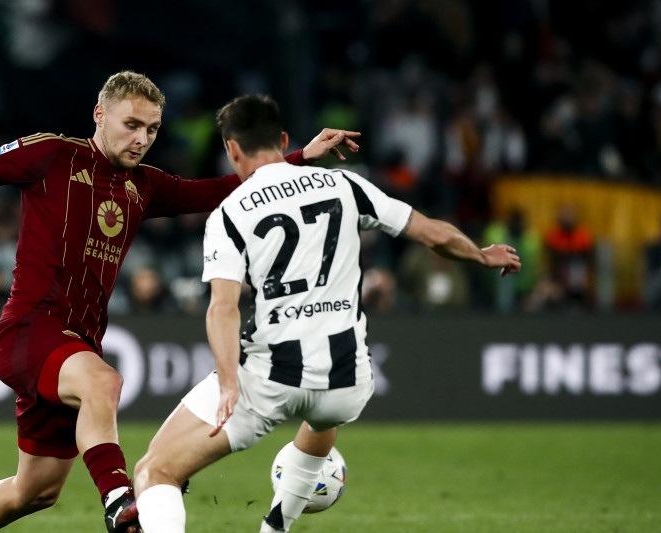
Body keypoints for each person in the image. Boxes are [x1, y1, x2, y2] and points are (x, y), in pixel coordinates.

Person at [0, 71, 360, 533]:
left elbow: (216, 190)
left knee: (33, 492)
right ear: (100, 115)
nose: (142, 139)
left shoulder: (145, 186)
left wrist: (297, 159)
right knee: (103, 383)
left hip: (76, 343)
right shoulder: (52, 155)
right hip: (30, 330)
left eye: (152, 129)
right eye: (131, 125)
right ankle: (120, 503)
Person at [132, 94, 521, 533]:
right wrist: (481, 255)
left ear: (232, 150)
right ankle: (276, 527)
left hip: (270, 379)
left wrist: (227, 382)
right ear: (283, 141)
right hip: (347, 381)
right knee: (323, 413)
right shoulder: (345, 185)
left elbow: (223, 307)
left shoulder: (230, 214)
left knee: (155, 470)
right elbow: (432, 233)